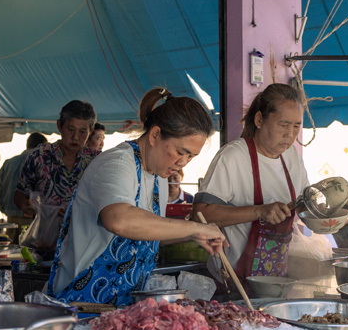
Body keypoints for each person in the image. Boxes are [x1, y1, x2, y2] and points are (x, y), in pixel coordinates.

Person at [49, 88, 226, 306]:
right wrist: (196, 228)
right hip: (80, 304)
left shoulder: (159, 174)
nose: (183, 163)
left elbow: (145, 232)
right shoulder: (116, 163)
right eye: (181, 152)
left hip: (122, 308)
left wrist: (190, 234)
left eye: (191, 156)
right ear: (154, 135)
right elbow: (119, 220)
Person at [193, 83, 310, 284]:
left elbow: (304, 205)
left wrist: (325, 213)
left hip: (274, 281)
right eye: (283, 125)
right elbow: (200, 214)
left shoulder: (292, 158)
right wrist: (260, 211)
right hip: (232, 281)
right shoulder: (234, 156)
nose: (290, 134)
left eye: (296, 126)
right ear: (259, 120)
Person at [14, 100, 98, 216]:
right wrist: (24, 204)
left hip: (87, 232)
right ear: (59, 125)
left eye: (83, 132)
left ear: (91, 131)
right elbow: (20, 192)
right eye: (71, 129)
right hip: (46, 231)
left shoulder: (97, 161)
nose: (75, 137)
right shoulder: (40, 156)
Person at [0, 132, 48, 226]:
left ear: (27, 144)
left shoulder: (8, 163)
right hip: (32, 217)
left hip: (11, 219)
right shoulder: (42, 163)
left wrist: (7, 211)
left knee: (9, 241)